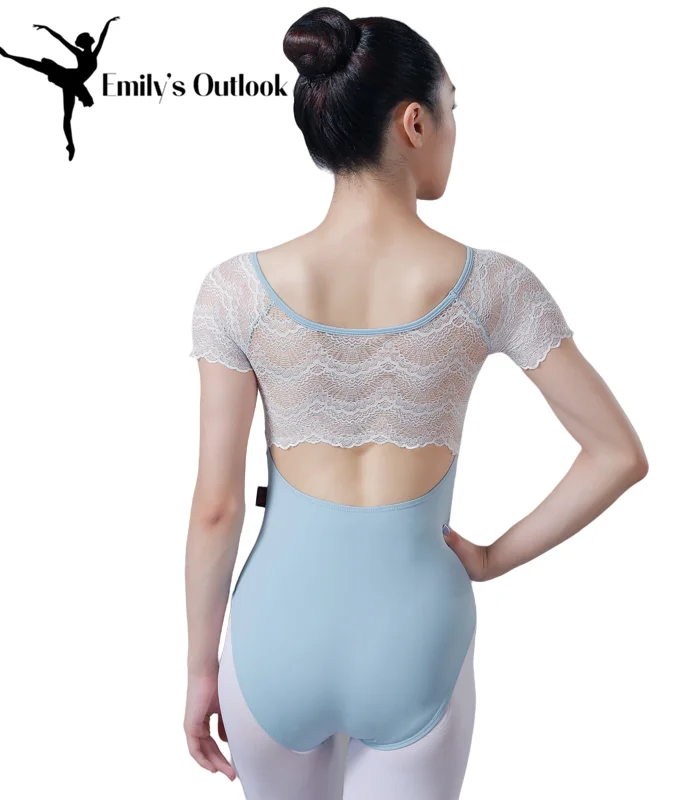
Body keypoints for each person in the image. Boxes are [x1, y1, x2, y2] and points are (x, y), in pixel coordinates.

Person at [184, 7, 648, 799]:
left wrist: (202, 670)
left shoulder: (235, 292)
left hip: (272, 641)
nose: (455, 130)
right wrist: (493, 558)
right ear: (414, 122)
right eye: (452, 109)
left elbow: (217, 507)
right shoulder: (495, 286)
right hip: (416, 635)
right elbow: (618, 455)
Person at [0, 17, 119, 160]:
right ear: (86, 43)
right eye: (88, 38)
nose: (92, 39)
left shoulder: (94, 53)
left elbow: (102, 36)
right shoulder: (81, 53)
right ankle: (7, 55)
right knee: (39, 66)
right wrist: (47, 28)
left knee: (67, 116)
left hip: (74, 84)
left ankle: (70, 145)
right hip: (70, 78)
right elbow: (61, 39)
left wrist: (108, 22)